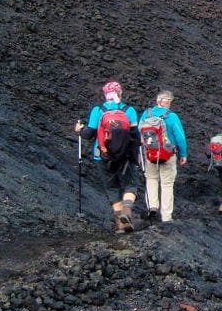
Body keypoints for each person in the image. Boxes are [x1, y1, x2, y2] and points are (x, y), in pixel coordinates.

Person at [75, 81, 140, 233]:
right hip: (125, 156)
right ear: (120, 93)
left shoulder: (98, 110)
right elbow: (135, 135)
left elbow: (88, 134)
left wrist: (79, 130)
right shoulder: (129, 110)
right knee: (130, 185)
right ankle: (127, 212)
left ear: (105, 95)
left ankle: (120, 225)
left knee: (112, 188)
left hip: (102, 155)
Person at [138, 90, 187, 223]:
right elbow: (180, 137)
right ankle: (166, 217)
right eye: (170, 102)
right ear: (167, 102)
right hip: (168, 154)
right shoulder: (172, 116)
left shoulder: (146, 114)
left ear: (157, 101)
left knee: (151, 179)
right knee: (167, 184)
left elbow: (139, 133)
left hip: (149, 154)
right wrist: (183, 154)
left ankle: (152, 207)